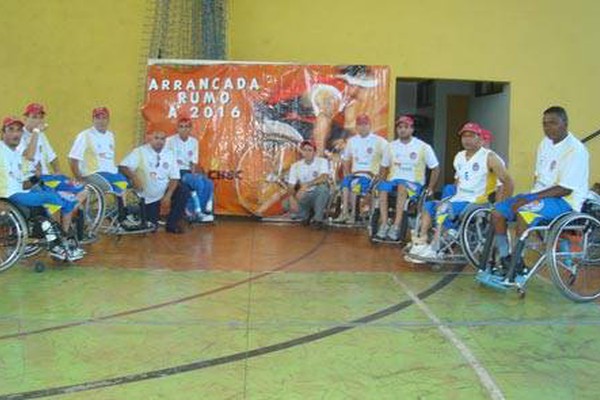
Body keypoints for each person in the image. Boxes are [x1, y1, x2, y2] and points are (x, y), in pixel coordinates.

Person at [490, 106, 589, 272]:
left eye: (553, 123)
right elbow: (539, 177)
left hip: (565, 201)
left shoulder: (576, 150)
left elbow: (565, 189)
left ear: (565, 123)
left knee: (525, 211)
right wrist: (530, 196)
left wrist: (529, 199)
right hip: (541, 196)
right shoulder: (545, 143)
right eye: (544, 124)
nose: (548, 127)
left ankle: (517, 261)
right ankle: (505, 256)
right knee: (497, 212)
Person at [408, 122, 513, 261]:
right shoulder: (459, 156)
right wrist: (448, 198)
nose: (467, 139)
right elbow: (458, 182)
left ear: (479, 138)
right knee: (429, 206)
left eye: (471, 136)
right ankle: (421, 241)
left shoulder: (490, 157)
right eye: (464, 136)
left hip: (478, 201)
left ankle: (435, 248)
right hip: (459, 198)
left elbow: (507, 182)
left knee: (444, 209)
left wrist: (502, 206)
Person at [1, 116, 84, 261]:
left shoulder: (16, 155)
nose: (16, 134)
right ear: (3, 133)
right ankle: (60, 243)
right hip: (8, 195)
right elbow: (30, 155)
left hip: (20, 192)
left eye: (19, 130)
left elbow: (23, 183)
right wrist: (36, 132)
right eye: (11, 130)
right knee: (52, 198)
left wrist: (36, 177)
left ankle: (57, 240)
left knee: (58, 196)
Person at [375, 115, 440, 241]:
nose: (402, 130)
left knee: (402, 186)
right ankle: (384, 224)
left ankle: (396, 226)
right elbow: (383, 167)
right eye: (400, 127)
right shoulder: (390, 146)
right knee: (383, 186)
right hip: (394, 181)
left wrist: (431, 187)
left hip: (414, 184)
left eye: (406, 127)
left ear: (412, 129)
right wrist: (380, 181)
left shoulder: (423, 147)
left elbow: (435, 168)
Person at [119, 131, 190, 234]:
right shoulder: (139, 152)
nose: (159, 141)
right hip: (147, 194)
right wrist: (134, 177)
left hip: (163, 189)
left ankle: (172, 224)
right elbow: (123, 166)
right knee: (152, 228)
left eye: (162, 139)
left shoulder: (169, 154)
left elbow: (175, 177)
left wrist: (168, 196)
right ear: (150, 139)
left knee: (183, 190)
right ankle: (138, 214)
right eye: (156, 138)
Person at [18, 102, 86, 197]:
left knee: (81, 189)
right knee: (63, 198)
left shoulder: (41, 135)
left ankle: (73, 210)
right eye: (34, 117)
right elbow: (29, 155)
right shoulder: (19, 135)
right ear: (25, 119)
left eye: (40, 117)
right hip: (32, 180)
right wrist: (36, 132)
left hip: (48, 177)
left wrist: (57, 172)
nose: (38, 120)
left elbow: (52, 157)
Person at [335, 114, 387, 224]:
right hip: (355, 174)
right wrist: (347, 173)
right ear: (356, 127)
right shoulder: (352, 141)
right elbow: (346, 159)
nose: (362, 127)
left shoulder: (379, 141)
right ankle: (344, 212)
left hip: (370, 176)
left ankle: (354, 215)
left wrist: (381, 176)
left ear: (370, 125)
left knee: (355, 185)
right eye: (360, 125)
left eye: (365, 124)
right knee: (345, 183)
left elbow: (388, 159)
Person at [68, 107, 128, 196]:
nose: (101, 121)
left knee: (124, 185)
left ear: (108, 120)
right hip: (93, 173)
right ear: (93, 120)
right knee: (111, 189)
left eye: (104, 118)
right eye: (97, 118)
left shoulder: (110, 135)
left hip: (111, 172)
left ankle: (123, 209)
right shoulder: (85, 135)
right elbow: (73, 158)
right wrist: (79, 178)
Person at [165, 116, 214, 222]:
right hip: (175, 172)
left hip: (187, 171)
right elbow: (166, 160)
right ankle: (193, 212)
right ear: (177, 128)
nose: (184, 129)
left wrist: (194, 174)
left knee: (208, 182)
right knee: (198, 183)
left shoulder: (194, 142)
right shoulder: (170, 141)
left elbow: (193, 162)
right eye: (181, 127)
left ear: (190, 129)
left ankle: (204, 210)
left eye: (187, 127)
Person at [287, 140, 331, 228]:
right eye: (305, 150)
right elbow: (290, 186)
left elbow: (324, 177)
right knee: (286, 204)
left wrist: (306, 185)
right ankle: (306, 215)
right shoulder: (295, 166)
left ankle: (318, 219)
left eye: (310, 150)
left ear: (314, 152)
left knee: (323, 188)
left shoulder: (322, 161)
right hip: (304, 196)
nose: (307, 153)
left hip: (316, 194)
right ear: (301, 151)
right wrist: (292, 198)